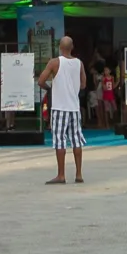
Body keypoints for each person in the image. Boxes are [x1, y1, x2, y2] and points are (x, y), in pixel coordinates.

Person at [39, 37, 85, 184]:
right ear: (72, 47)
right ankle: (78, 174)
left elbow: (41, 81)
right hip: (74, 107)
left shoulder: (54, 62)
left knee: (60, 141)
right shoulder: (79, 63)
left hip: (60, 108)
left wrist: (51, 89)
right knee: (76, 140)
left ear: (60, 47)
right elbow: (83, 85)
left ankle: (61, 175)